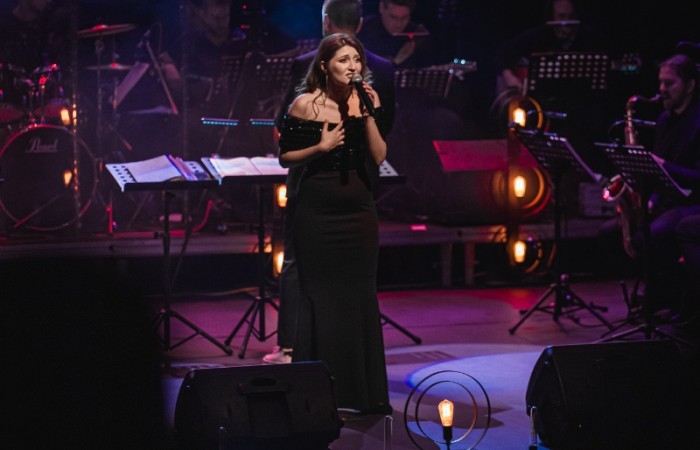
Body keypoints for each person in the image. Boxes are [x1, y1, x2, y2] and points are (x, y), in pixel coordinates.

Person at [263, 0, 396, 365]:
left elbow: (382, 135)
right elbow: (288, 135)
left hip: (348, 190)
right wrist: (321, 144)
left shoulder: (365, 80)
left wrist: (363, 118)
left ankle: (302, 347)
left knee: (305, 264)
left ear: (325, 22)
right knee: (308, 267)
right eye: (343, 61)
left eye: (355, 62)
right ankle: (304, 348)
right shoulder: (381, 68)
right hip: (326, 188)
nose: (351, 67)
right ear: (361, 23)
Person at [633, 53, 700, 312]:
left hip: (692, 202)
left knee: (653, 236)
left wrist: (663, 165)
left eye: (669, 83)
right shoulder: (664, 120)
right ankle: (659, 295)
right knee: (610, 233)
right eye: (660, 83)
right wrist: (652, 200)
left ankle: (672, 300)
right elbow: (658, 175)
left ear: (690, 85)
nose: (662, 89)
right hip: (669, 201)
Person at [356, 0, 434, 68]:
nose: (399, 24)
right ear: (381, 8)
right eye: (393, 17)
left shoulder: (418, 34)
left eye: (404, 17)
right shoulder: (361, 29)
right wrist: (395, 62)